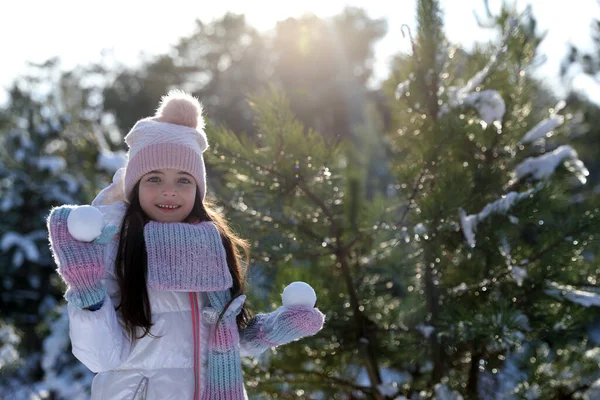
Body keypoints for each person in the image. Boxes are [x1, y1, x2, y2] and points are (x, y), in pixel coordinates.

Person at [46, 90, 325, 400]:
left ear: (198, 189)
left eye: (183, 180)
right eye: (154, 178)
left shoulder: (211, 243)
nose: (170, 191)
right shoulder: (115, 247)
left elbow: (223, 338)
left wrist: (270, 330)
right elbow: (100, 358)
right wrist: (87, 293)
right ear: (135, 185)